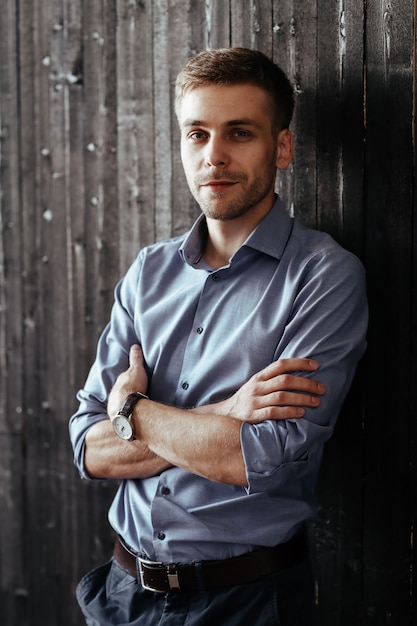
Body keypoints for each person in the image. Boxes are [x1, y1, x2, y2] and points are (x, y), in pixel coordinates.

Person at [70, 47, 368, 626]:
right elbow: (89, 447)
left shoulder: (324, 275)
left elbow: (264, 456)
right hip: (121, 594)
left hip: (245, 602)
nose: (215, 156)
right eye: (197, 134)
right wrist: (225, 411)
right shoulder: (149, 272)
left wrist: (131, 408)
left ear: (280, 147)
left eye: (239, 132)